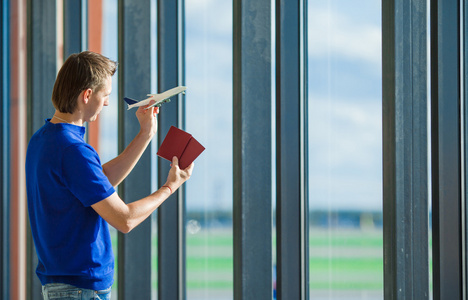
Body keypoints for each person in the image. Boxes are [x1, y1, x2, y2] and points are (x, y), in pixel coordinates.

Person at [25, 51, 193, 300]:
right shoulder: (73, 150)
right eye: (106, 96)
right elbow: (125, 220)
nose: (106, 104)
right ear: (87, 95)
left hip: (67, 286)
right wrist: (169, 187)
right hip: (80, 290)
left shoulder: (45, 138)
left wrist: (145, 134)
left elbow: (95, 181)